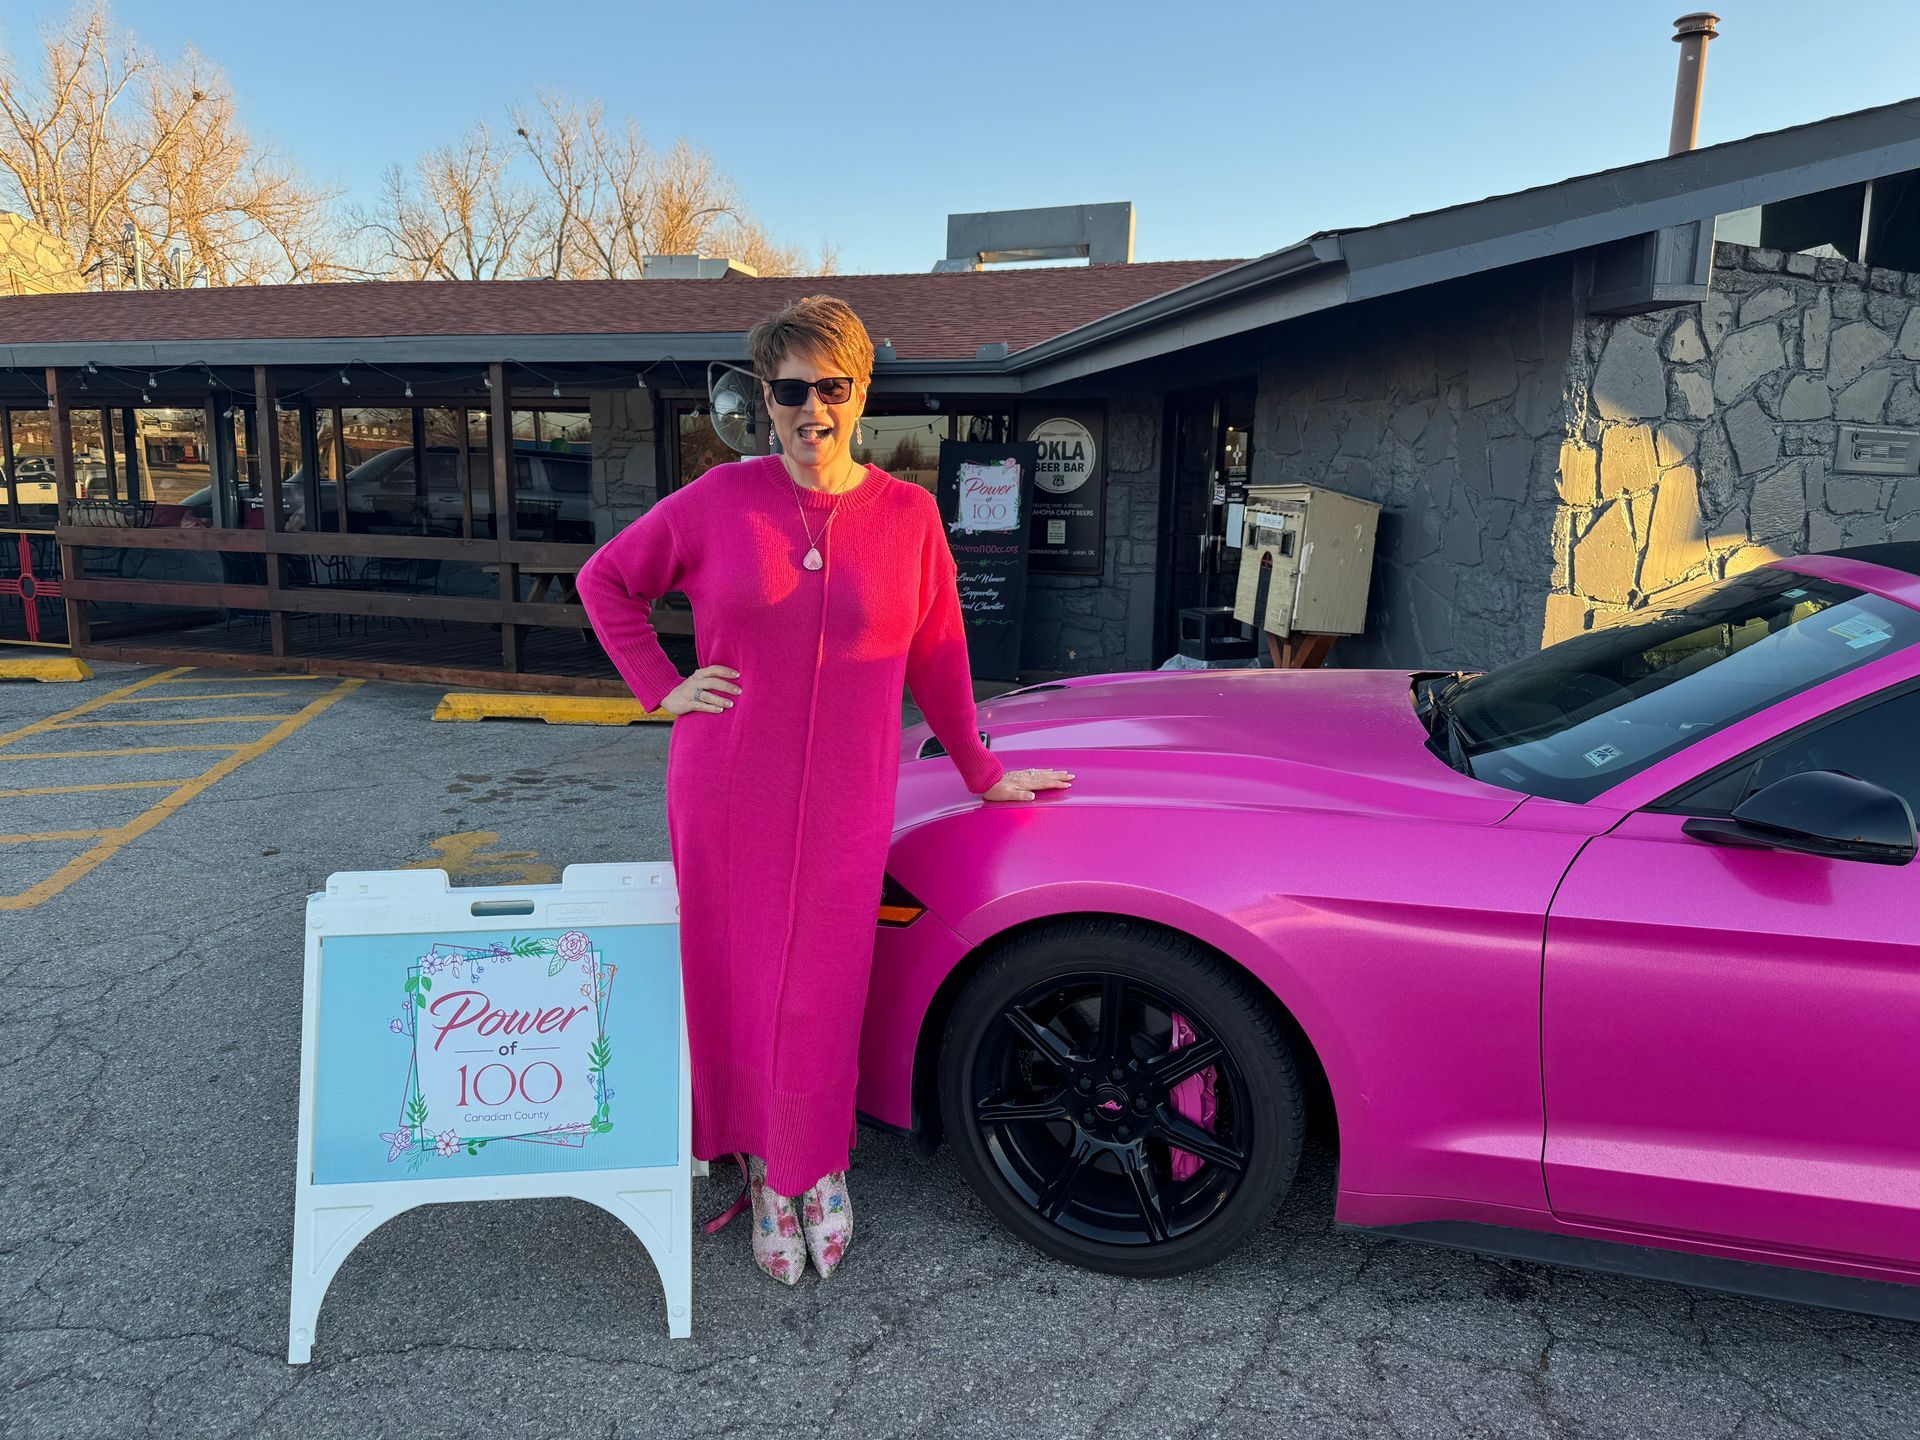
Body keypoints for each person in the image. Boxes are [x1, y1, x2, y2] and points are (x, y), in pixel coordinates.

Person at [576, 295, 1073, 1284]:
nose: (812, 410)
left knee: (820, 991)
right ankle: (765, 1168)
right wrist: (661, 689)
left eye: (830, 388)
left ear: (859, 394)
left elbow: (939, 654)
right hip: (725, 792)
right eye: (791, 390)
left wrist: (982, 768)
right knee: (737, 982)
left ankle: (822, 1164)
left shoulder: (908, 515)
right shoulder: (720, 500)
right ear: (766, 400)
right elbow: (607, 582)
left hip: (847, 798)